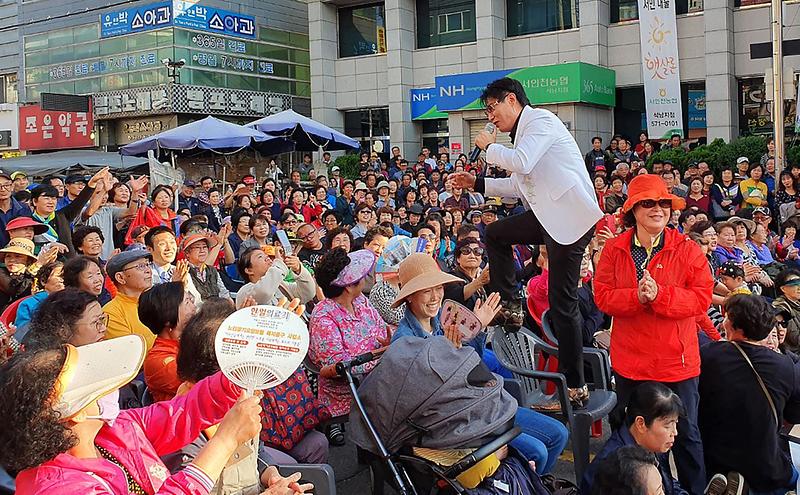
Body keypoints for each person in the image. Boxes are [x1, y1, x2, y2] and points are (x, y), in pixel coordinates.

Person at [448, 77, 602, 406]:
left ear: (512, 100)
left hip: (570, 220)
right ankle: (512, 306)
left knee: (563, 308)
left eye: (492, 108)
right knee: (499, 234)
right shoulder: (522, 138)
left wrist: (488, 147)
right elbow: (518, 187)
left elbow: (522, 163)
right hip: (549, 216)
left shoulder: (541, 121)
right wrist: (475, 181)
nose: (490, 117)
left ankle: (576, 389)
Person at [0, 335, 307, 494]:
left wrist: (244, 367)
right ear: (73, 413)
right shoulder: (60, 488)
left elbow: (183, 412)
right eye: (98, 387)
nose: (113, 388)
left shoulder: (116, 430)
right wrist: (224, 441)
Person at [390, 252, 568, 474]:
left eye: (439, 288)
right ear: (409, 296)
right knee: (537, 451)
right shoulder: (404, 341)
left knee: (559, 434)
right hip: (453, 422)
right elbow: (424, 400)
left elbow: (471, 364)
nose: (436, 296)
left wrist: (477, 329)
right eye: (427, 291)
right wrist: (448, 353)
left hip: (478, 405)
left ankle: (528, 482)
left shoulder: (442, 320)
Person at [594, 174, 713, 495]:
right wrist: (637, 297)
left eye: (663, 202)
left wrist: (660, 295)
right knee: (631, 436)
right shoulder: (614, 249)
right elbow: (602, 296)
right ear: (633, 209)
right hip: (632, 364)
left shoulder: (687, 249)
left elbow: (701, 299)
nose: (657, 208)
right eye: (648, 203)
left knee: (686, 435)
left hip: (677, 363)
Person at [170, 300, 326, 484]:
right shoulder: (185, 437)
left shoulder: (238, 404)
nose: (260, 390)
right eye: (251, 367)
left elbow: (256, 453)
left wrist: (272, 477)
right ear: (222, 375)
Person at [700, 294, 800, 494]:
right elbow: (794, 415)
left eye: (727, 318)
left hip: (715, 458)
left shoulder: (709, 355)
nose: (723, 323)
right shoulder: (786, 366)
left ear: (737, 327)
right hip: (765, 463)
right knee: (792, 477)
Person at [582, 382, 736, 495]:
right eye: (668, 425)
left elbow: (667, 485)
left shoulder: (651, 443)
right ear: (641, 423)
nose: (674, 432)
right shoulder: (616, 467)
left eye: (675, 424)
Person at [309, 249, 388, 444]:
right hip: (349, 388)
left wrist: (388, 344)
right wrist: (382, 354)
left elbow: (380, 329)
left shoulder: (360, 300)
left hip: (377, 374)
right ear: (348, 286)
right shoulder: (323, 316)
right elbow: (338, 367)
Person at [139, 282, 197, 402]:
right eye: (187, 302)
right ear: (168, 319)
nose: (194, 307)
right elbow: (203, 384)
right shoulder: (157, 360)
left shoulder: (190, 339)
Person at [103, 249, 156, 349]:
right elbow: (131, 351)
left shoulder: (155, 302)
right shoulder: (111, 313)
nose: (148, 270)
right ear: (120, 278)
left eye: (148, 264)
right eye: (140, 266)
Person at [22, 288, 108, 349]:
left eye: (102, 319)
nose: (103, 328)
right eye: (95, 322)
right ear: (63, 332)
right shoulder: (49, 369)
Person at [235, 246, 316, 309]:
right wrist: (280, 263)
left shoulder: (281, 285)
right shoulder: (245, 292)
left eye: (266, 255)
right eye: (260, 257)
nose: (267, 258)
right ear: (249, 270)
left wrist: (298, 269)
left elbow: (308, 293)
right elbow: (265, 291)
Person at [13, 261, 64, 333]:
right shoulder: (28, 304)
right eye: (60, 276)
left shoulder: (73, 303)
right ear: (43, 280)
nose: (64, 280)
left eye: (67, 277)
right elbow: (21, 333)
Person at [444, 237, 489, 311]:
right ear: (458, 258)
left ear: (481, 259)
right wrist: (479, 282)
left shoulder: (483, 278)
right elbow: (453, 299)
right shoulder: (451, 278)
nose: (472, 256)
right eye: (466, 251)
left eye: (477, 251)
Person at [0, 173, 33, 247]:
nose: (3, 189)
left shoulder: (23, 208)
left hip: (19, 251)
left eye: (6, 185)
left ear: (12, 187)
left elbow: (28, 231)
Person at [772, 269, 800, 353]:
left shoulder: (797, 303)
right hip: (794, 354)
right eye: (795, 284)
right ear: (783, 288)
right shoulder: (780, 308)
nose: (799, 287)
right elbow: (796, 339)